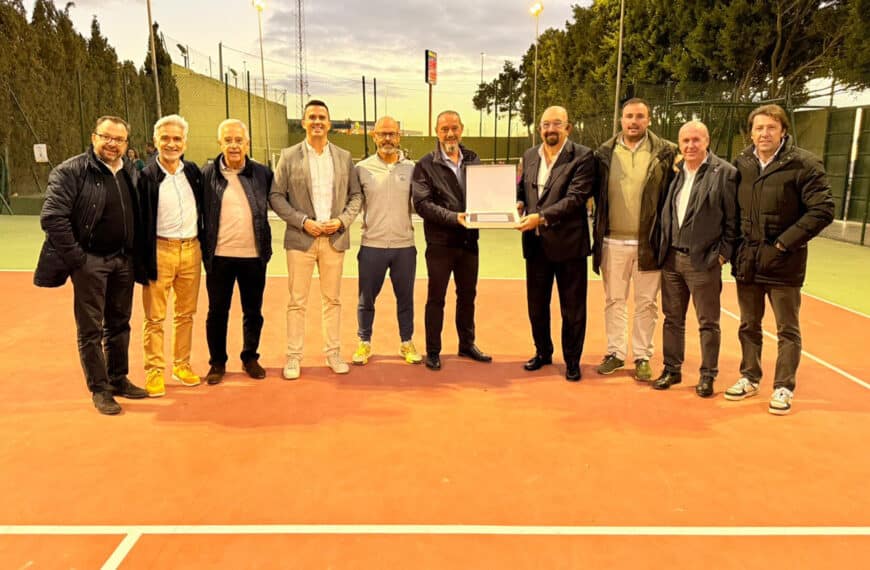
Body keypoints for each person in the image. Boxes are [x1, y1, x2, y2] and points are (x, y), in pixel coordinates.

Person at [725, 104, 834, 415]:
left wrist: (784, 244)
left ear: (783, 131)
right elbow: (733, 210)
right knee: (748, 324)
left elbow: (823, 209)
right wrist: (735, 250)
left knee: (787, 329)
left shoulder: (805, 164)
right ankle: (749, 377)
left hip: (785, 264)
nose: (764, 133)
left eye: (771, 128)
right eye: (759, 128)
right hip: (748, 261)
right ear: (751, 132)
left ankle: (784, 387)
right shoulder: (743, 163)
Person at [35, 116, 148, 415]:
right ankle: (99, 389)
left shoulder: (129, 172)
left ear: (126, 144)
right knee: (90, 330)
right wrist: (78, 260)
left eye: (119, 139)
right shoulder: (71, 171)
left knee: (120, 324)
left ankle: (118, 378)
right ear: (93, 137)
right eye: (106, 137)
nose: (112, 144)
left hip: (123, 260)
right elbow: (52, 218)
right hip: (90, 262)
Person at [269, 100, 362, 380]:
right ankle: (294, 357)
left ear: (330, 123)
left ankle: (333, 353)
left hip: (334, 240)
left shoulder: (345, 157)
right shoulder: (288, 156)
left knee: (332, 300)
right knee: (297, 301)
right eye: (312, 117)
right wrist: (303, 222)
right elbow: (275, 196)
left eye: (322, 117)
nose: (317, 122)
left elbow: (356, 196)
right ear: (304, 122)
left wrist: (342, 221)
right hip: (301, 240)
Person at [651, 121, 738, 397]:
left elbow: (733, 222)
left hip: (704, 262)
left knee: (708, 323)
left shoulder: (724, 173)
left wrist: (723, 255)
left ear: (707, 141)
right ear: (679, 143)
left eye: (696, 140)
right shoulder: (676, 173)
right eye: (685, 141)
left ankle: (707, 375)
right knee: (672, 319)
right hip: (672, 261)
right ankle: (671, 369)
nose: (690, 146)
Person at [592, 98, 677, 381]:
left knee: (646, 303)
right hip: (612, 241)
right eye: (629, 116)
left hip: (649, 242)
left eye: (640, 116)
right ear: (621, 119)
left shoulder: (666, 153)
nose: (634, 121)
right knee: (614, 300)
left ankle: (642, 356)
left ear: (649, 120)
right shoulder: (603, 153)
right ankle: (615, 353)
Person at [516, 106, 595, 381]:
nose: (550, 129)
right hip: (535, 247)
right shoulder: (529, 156)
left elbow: (575, 198)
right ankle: (543, 352)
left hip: (569, 247)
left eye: (556, 124)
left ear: (568, 128)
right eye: (545, 124)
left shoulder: (583, 157)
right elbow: (522, 190)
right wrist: (519, 202)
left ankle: (572, 360)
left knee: (572, 309)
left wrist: (540, 218)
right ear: (539, 128)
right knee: (536, 306)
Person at [411, 110, 490, 371]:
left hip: (469, 242)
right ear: (437, 132)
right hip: (440, 244)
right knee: (437, 298)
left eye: (454, 128)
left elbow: (484, 195)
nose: (450, 133)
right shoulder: (425, 164)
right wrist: (455, 217)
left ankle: (466, 344)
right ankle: (433, 350)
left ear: (461, 129)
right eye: (444, 129)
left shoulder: (473, 159)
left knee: (467, 296)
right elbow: (422, 204)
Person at [201, 119, 273, 385]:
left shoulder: (263, 174)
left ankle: (249, 357)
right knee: (217, 312)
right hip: (219, 257)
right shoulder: (206, 174)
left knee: (253, 311)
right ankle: (217, 362)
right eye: (228, 140)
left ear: (247, 144)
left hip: (254, 257)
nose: (234, 145)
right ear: (220, 143)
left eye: (239, 140)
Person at [138, 114, 204, 397]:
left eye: (177, 139)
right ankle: (154, 371)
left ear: (185, 142)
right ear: (155, 141)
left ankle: (182, 365)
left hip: (192, 250)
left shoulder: (193, 172)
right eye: (165, 138)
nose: (171, 144)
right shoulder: (144, 176)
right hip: (159, 250)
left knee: (185, 314)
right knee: (154, 317)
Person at [352, 116, 423, 365]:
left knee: (406, 298)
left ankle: (406, 342)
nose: (387, 139)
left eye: (391, 134)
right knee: (366, 299)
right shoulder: (361, 169)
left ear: (399, 136)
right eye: (382, 134)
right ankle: (364, 342)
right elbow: (352, 203)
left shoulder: (413, 169)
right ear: (374, 137)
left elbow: (421, 204)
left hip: (404, 247)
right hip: (372, 245)